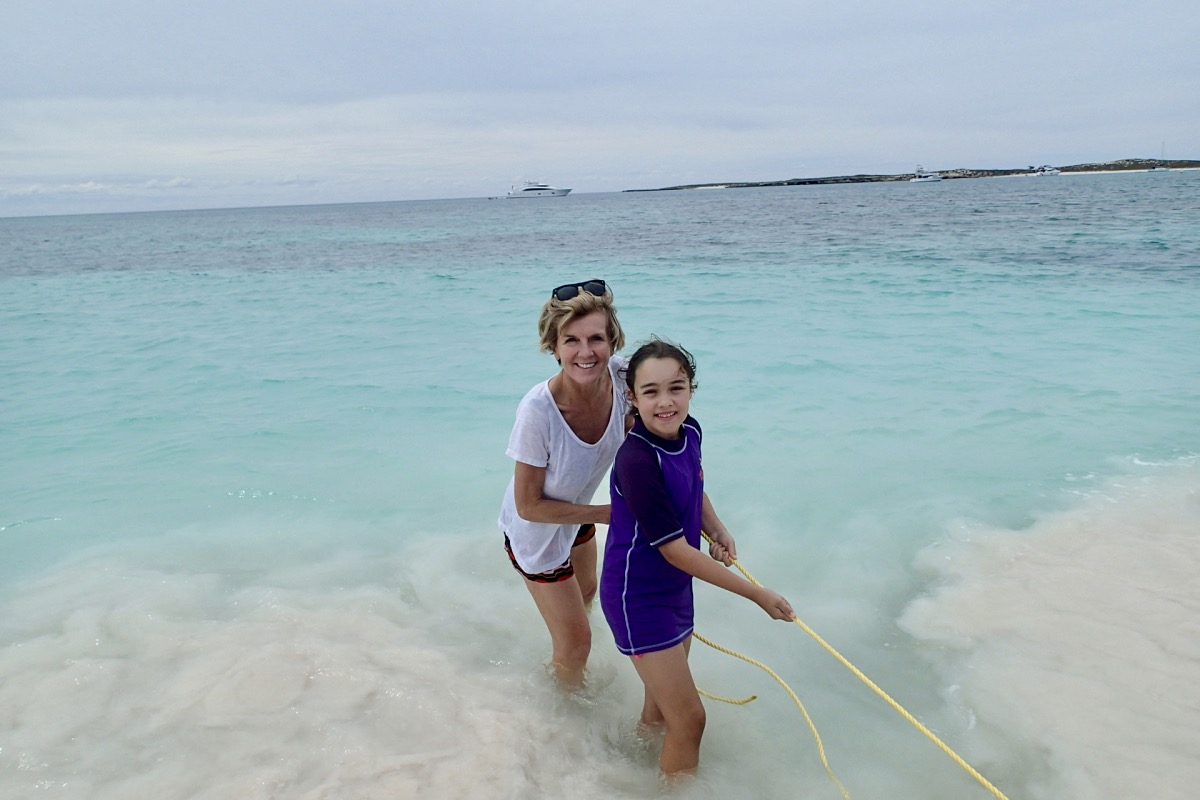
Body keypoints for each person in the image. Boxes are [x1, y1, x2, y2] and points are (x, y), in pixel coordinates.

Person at [599, 337, 795, 778]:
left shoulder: (690, 432)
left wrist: (716, 527)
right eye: (651, 391)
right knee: (690, 720)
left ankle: (628, 772)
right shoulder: (636, 461)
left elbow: (693, 485)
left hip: (675, 589)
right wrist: (757, 594)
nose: (666, 402)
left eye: (677, 387)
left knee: (659, 707)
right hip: (638, 599)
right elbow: (673, 550)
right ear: (632, 397)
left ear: (691, 388)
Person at [498, 279, 631, 687]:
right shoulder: (538, 411)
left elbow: (666, 402)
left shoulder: (624, 378)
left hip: (579, 513)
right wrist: (608, 514)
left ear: (613, 341)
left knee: (588, 590)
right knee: (576, 646)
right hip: (536, 534)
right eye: (571, 340)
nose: (585, 352)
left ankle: (565, 631)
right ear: (553, 348)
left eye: (596, 339)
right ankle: (562, 708)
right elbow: (529, 506)